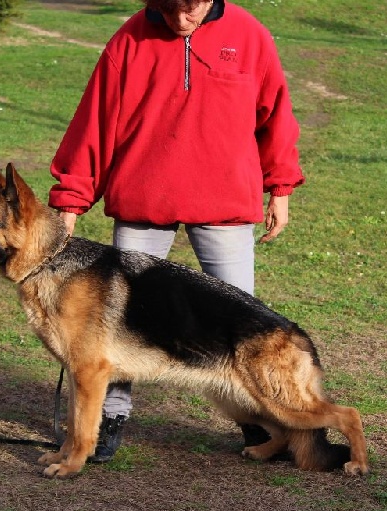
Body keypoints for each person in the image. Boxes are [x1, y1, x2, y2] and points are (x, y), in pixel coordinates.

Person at [48, 0, 305, 462]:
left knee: (238, 321)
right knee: (118, 322)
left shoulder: (250, 36)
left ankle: (257, 421)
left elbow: (275, 113)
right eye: (169, 10)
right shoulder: (129, 39)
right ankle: (108, 416)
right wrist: (70, 200)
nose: (180, 20)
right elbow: (95, 124)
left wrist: (280, 186)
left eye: (190, 8)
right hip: (144, 201)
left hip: (225, 203)